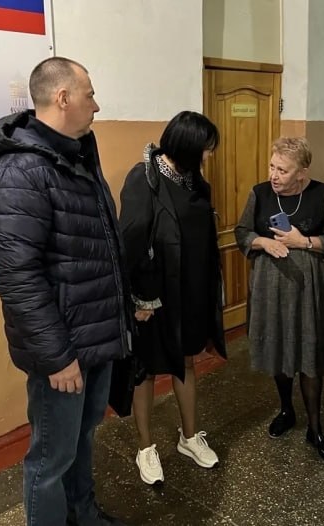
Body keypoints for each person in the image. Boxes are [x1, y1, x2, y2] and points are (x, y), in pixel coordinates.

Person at [0, 57, 129, 526]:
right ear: (63, 98)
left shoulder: (78, 157)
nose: (96, 105)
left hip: (94, 335)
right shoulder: (19, 171)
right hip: (63, 350)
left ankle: (82, 514)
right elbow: (17, 277)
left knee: (82, 439)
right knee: (50, 460)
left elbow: (101, 248)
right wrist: (57, 357)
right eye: (90, 95)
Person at [118, 111, 227, 485]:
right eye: (206, 149)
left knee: (186, 361)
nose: (209, 155)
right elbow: (131, 239)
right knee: (146, 369)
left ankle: (189, 437)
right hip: (153, 297)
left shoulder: (195, 180)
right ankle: (146, 447)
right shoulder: (144, 178)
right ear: (187, 147)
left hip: (190, 291)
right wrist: (141, 299)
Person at [234, 137, 324, 464]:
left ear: (302, 172)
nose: (274, 175)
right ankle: (286, 410)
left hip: (309, 288)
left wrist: (305, 241)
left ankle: (316, 428)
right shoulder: (259, 193)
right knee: (278, 348)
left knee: (309, 354)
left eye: (282, 170)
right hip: (270, 287)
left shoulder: (322, 193)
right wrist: (262, 243)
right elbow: (242, 231)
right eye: (272, 167)